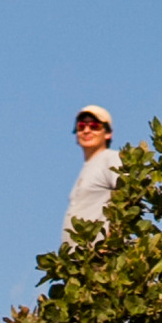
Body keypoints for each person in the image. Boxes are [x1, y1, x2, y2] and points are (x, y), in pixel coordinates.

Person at [61, 104, 120, 242]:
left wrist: (109, 243)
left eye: (94, 126)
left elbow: (131, 196)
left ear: (107, 133)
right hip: (78, 259)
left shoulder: (110, 158)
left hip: (100, 257)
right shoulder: (87, 167)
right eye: (81, 126)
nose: (87, 131)